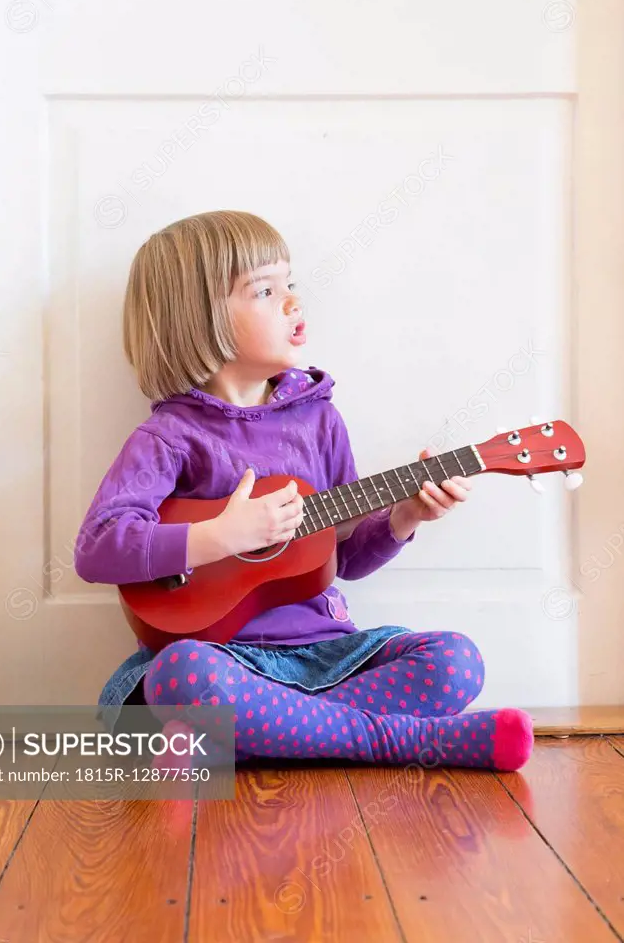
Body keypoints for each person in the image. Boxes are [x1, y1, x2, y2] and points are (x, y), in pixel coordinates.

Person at [74, 210, 533, 771]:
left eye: (290, 285)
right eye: (264, 290)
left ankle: (243, 739)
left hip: (326, 655)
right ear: (199, 319)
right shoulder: (170, 436)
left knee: (456, 661)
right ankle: (406, 742)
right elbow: (98, 547)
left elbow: (342, 558)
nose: (292, 301)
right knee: (180, 675)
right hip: (224, 662)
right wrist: (220, 536)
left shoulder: (318, 421)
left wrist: (404, 516)